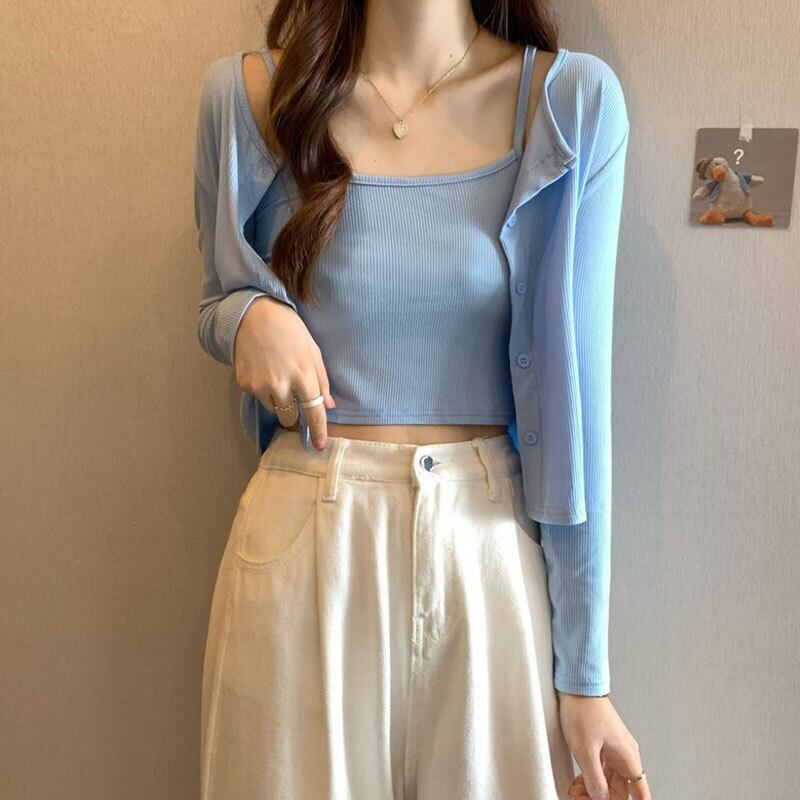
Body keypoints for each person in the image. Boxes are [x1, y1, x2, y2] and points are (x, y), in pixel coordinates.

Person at [192, 2, 648, 799]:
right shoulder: (251, 100)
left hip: (486, 552)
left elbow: (580, 411)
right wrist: (246, 318)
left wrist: (586, 677)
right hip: (303, 540)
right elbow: (214, 300)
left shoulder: (569, 106)